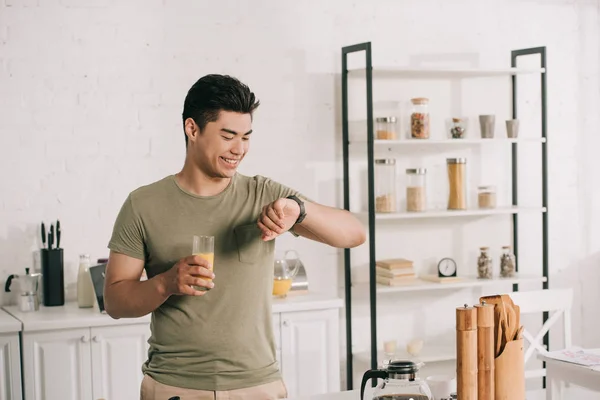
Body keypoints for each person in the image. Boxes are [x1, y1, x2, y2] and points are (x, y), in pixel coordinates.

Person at [104, 74, 366, 400]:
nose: (239, 149)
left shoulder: (264, 195)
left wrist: (298, 210)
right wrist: (165, 283)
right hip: (174, 386)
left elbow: (354, 234)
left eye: (246, 137)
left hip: (257, 386)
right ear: (192, 129)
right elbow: (115, 301)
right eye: (228, 136)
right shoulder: (143, 204)